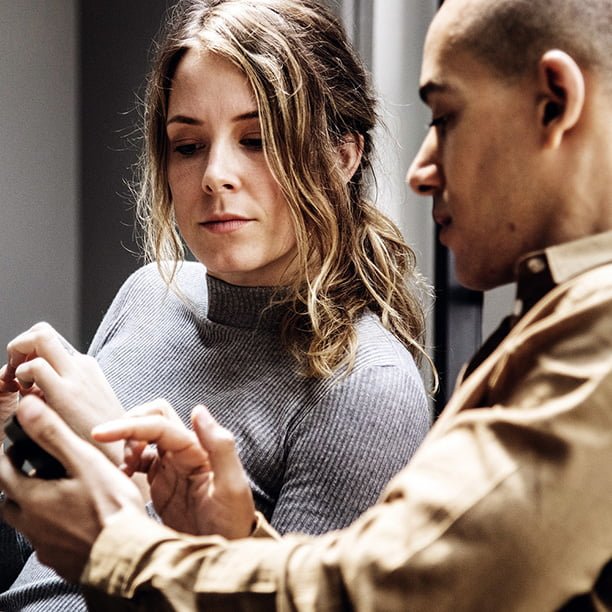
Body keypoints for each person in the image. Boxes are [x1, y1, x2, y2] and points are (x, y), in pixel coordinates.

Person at [4, 0, 612, 608]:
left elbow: (368, 592)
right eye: (186, 145)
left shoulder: (380, 379)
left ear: (342, 155)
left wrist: (113, 485)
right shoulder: (146, 293)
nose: (421, 170)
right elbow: (35, 576)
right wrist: (23, 451)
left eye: (258, 139)